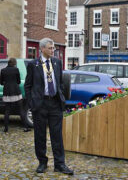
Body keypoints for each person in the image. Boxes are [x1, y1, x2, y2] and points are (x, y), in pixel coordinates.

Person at [24, 38, 73, 175]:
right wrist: (32, 102)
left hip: (55, 104)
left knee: (57, 135)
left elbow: (60, 82)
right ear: (42, 49)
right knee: (40, 135)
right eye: (50, 48)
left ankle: (60, 164)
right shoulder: (34, 65)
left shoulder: (57, 63)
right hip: (40, 104)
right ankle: (42, 162)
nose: (53, 50)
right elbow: (28, 85)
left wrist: (61, 95)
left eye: (53, 48)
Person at [0, 58, 31, 133]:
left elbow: (1, 82)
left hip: (7, 92)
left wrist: (6, 84)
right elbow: (18, 81)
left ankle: (6, 128)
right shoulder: (16, 70)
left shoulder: (3, 70)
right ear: (14, 63)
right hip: (16, 92)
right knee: (21, 110)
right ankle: (25, 127)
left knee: (7, 111)